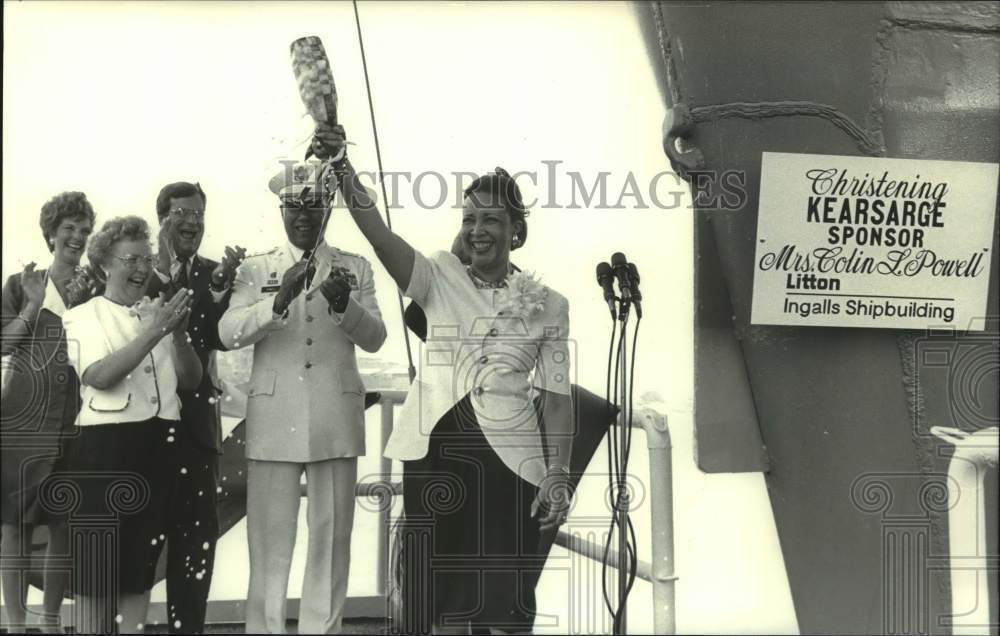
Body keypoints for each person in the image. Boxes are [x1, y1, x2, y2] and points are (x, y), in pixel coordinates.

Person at [315, 124, 575, 634]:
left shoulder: (552, 305)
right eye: (470, 218)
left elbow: (559, 398)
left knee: (502, 603)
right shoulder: (437, 276)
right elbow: (377, 231)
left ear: (516, 231)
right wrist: (343, 167)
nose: (478, 229)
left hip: (512, 465)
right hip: (435, 454)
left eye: (492, 220)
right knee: (439, 602)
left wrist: (557, 473)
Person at [218, 160, 387, 634]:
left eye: (312, 204)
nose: (302, 215)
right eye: (293, 205)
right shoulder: (256, 269)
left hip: (335, 416)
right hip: (274, 418)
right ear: (281, 209)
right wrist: (276, 302)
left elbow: (375, 337)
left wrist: (343, 305)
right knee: (270, 544)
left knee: (332, 540)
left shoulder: (355, 268)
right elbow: (229, 332)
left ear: (328, 207)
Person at [61, 216, 203, 634]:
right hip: (102, 454)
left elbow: (192, 381)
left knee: (139, 572)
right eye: (131, 259)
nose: (142, 268)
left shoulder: (157, 315)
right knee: (94, 576)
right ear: (104, 264)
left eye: (147, 258)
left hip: (158, 447)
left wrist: (176, 335)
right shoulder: (83, 316)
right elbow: (100, 376)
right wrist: (156, 330)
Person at [144, 181, 244, 634]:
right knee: (136, 557)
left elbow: (217, 335)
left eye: (198, 213)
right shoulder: (135, 270)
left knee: (194, 555)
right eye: (181, 213)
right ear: (161, 217)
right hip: (142, 434)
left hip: (199, 437)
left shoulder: (216, 274)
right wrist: (162, 274)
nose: (192, 222)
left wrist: (220, 287)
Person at [1, 192, 95, 632]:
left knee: (64, 525)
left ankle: (52, 621)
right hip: (22, 422)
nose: (76, 237)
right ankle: (16, 625)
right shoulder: (21, 283)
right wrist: (32, 306)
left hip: (76, 419)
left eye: (83, 229)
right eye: (68, 228)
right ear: (51, 234)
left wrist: (82, 305)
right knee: (15, 526)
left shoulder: (96, 285)